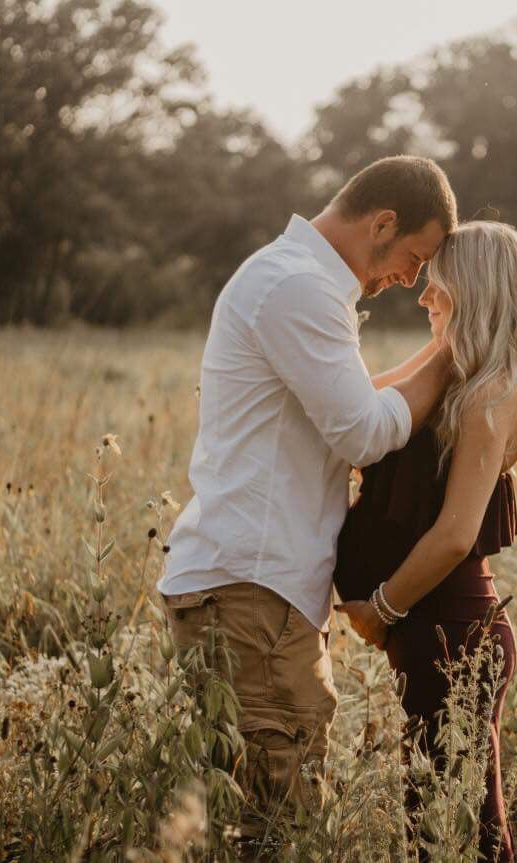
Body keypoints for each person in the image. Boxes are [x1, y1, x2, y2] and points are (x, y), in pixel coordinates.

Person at [158, 156, 457, 845]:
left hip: (248, 588)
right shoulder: (299, 287)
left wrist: (441, 350)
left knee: (242, 818)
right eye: (414, 258)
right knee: (279, 826)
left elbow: (352, 401)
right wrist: (453, 355)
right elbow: (363, 432)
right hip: (251, 592)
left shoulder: (292, 278)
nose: (411, 279)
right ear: (382, 224)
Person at [335, 220, 517, 862]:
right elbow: (360, 405)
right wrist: (446, 346)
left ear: (474, 292)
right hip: (435, 632)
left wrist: (380, 610)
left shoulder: (490, 395)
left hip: (452, 633)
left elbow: (455, 536)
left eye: (440, 285)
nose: (423, 296)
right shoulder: (462, 380)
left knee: (458, 834)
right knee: (441, 824)